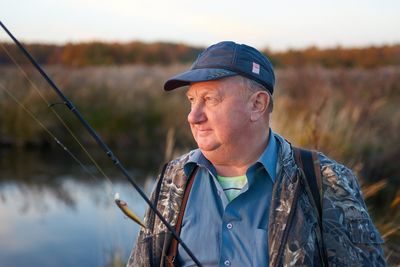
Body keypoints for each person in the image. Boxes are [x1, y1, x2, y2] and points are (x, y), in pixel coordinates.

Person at [127, 41, 386, 266]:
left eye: (210, 99)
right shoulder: (174, 178)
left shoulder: (326, 182)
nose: (193, 116)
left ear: (257, 104)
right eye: (192, 100)